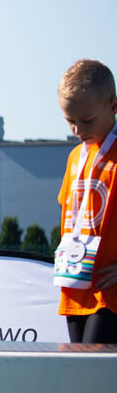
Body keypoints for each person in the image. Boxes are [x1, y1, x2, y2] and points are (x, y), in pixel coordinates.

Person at [55, 59, 117, 344]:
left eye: (87, 120)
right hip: (75, 285)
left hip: (109, 289)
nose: (78, 130)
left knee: (95, 366)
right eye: (70, 121)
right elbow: (67, 209)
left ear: (113, 106)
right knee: (78, 366)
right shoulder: (75, 158)